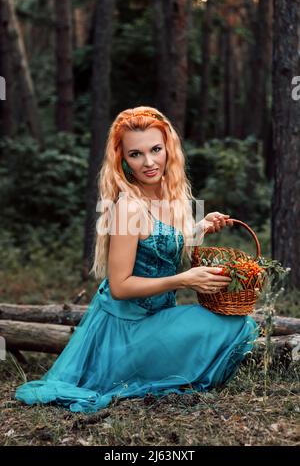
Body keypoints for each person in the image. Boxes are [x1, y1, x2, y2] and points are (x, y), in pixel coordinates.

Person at [15, 106, 259, 414]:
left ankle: (166, 363)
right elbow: (120, 286)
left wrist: (201, 226)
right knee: (232, 327)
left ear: (168, 148)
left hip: (157, 318)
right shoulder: (128, 207)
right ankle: (146, 369)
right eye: (136, 154)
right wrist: (183, 280)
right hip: (125, 331)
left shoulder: (169, 196)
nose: (149, 162)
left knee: (238, 323)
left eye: (156, 149)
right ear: (122, 160)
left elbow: (163, 248)